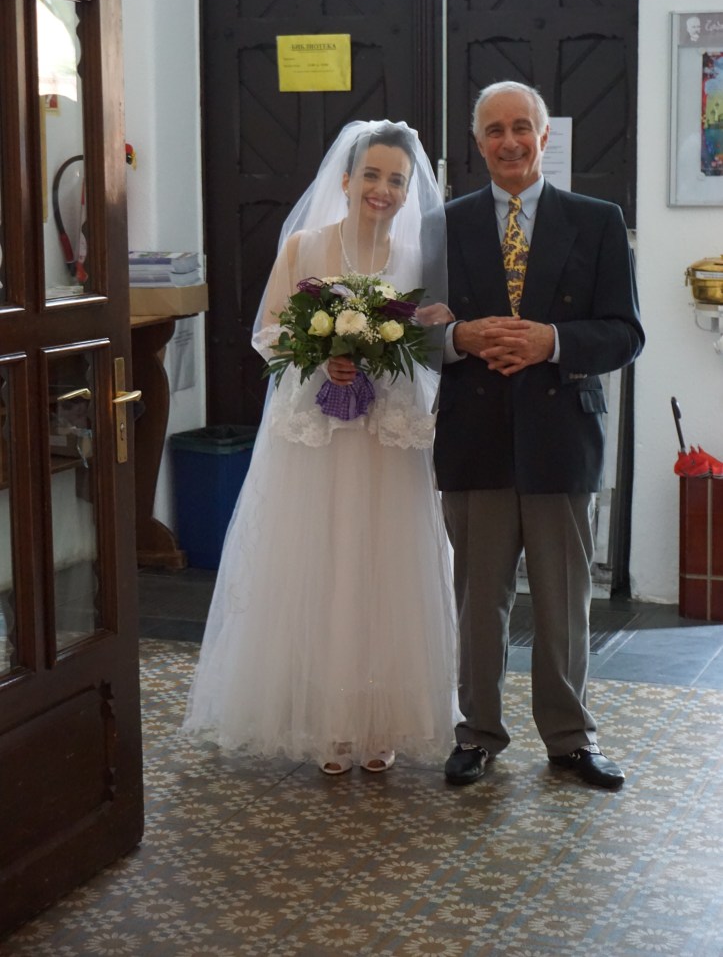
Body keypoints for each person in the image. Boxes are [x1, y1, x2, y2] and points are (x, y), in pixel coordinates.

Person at [183, 120, 460, 775]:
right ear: (345, 179)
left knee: (386, 568)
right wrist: (324, 360)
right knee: (318, 566)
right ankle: (329, 722)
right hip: (315, 437)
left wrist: (399, 348)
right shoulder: (306, 248)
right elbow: (271, 332)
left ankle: (381, 719)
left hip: (387, 439)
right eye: (371, 175)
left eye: (396, 179)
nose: (382, 189)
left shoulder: (420, 261)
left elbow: (433, 345)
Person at [434, 82, 645, 790]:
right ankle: (476, 734)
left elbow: (624, 333)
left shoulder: (597, 220)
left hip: (561, 437)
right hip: (475, 438)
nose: (508, 142)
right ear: (477, 142)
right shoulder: (444, 225)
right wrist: (458, 337)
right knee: (478, 604)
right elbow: (405, 329)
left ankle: (569, 740)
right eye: (493, 130)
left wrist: (551, 341)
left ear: (544, 135)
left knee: (561, 603)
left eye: (521, 127)